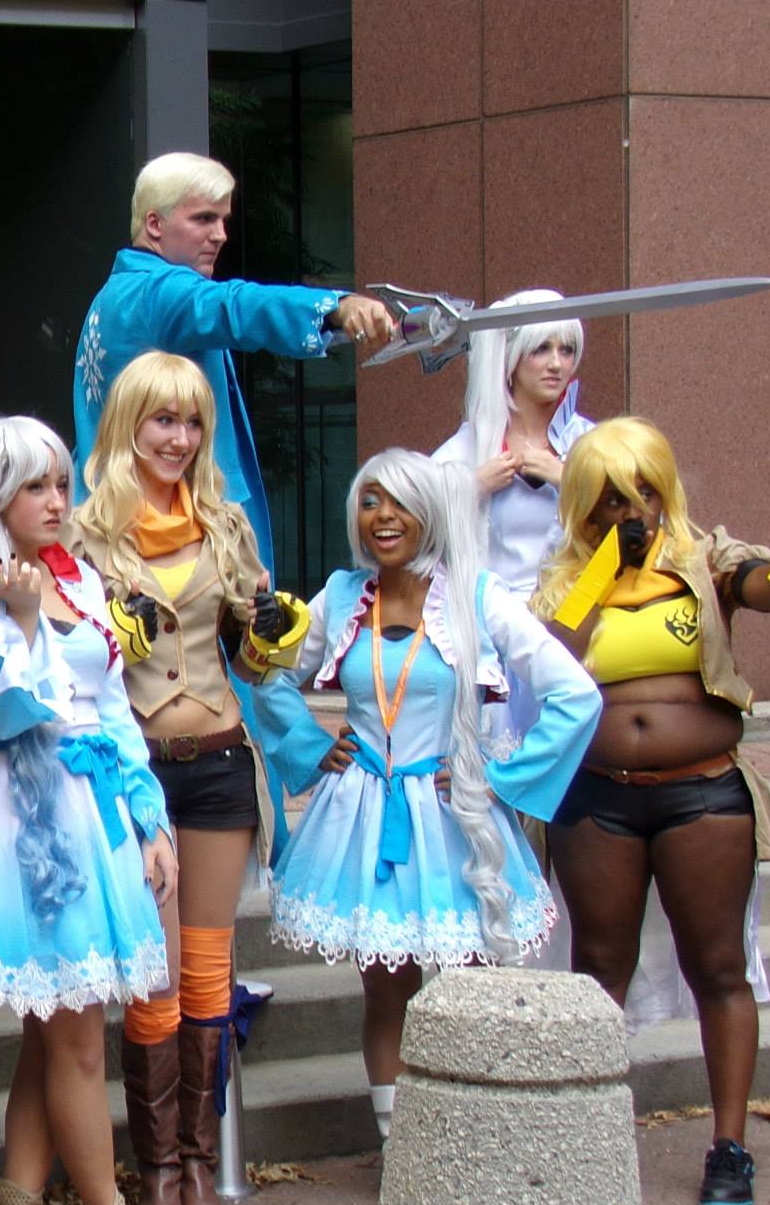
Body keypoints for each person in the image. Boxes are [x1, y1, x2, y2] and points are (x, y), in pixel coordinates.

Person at [250, 448, 600, 1141]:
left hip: (452, 815)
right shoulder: (342, 595)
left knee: (471, 985)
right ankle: (400, 1150)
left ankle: (472, 1143)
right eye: (370, 501)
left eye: (401, 502)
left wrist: (501, 776)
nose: (383, 516)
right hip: (359, 814)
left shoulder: (477, 595)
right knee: (386, 989)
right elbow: (268, 674)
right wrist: (311, 747)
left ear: (431, 511)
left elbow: (576, 694)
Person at [0, 415, 205, 1205]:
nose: (58, 501)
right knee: (76, 1037)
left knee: (52, 1031)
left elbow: (114, 708)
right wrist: (19, 623)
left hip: (94, 813)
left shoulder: (77, 577)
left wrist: (149, 819)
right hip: (29, 827)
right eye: (35, 486)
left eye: (61, 482)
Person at [68, 351, 300, 1205]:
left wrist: (270, 633)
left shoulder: (225, 525)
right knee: (155, 978)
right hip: (138, 772)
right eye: (162, 419)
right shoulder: (86, 534)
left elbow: (253, 662)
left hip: (220, 760)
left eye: (193, 421)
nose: (179, 437)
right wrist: (111, 637)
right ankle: (157, 1169)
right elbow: (74, 668)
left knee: (207, 972)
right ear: (127, 424)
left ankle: (199, 1165)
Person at [531, 417, 770, 1205]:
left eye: (643, 490)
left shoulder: (702, 557)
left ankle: (730, 1146)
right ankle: (589, 1145)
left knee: (718, 967)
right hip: (597, 795)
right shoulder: (568, 577)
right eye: (610, 497)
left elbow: (756, 581)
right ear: (585, 504)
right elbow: (551, 650)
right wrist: (608, 564)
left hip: (701, 790)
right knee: (599, 968)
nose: (630, 509)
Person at [70, 151, 396, 561]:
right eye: (204, 219)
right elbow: (236, 305)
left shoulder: (115, 294)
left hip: (117, 522)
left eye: (223, 220)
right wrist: (335, 308)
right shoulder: (158, 292)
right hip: (165, 538)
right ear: (154, 224)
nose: (220, 235)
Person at [431, 290, 592, 604]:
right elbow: (409, 521)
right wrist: (472, 487)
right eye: (541, 349)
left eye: (567, 350)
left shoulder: (592, 442)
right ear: (511, 355)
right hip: (494, 617)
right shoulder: (468, 447)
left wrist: (570, 480)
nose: (556, 364)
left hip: (578, 613)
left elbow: (640, 520)